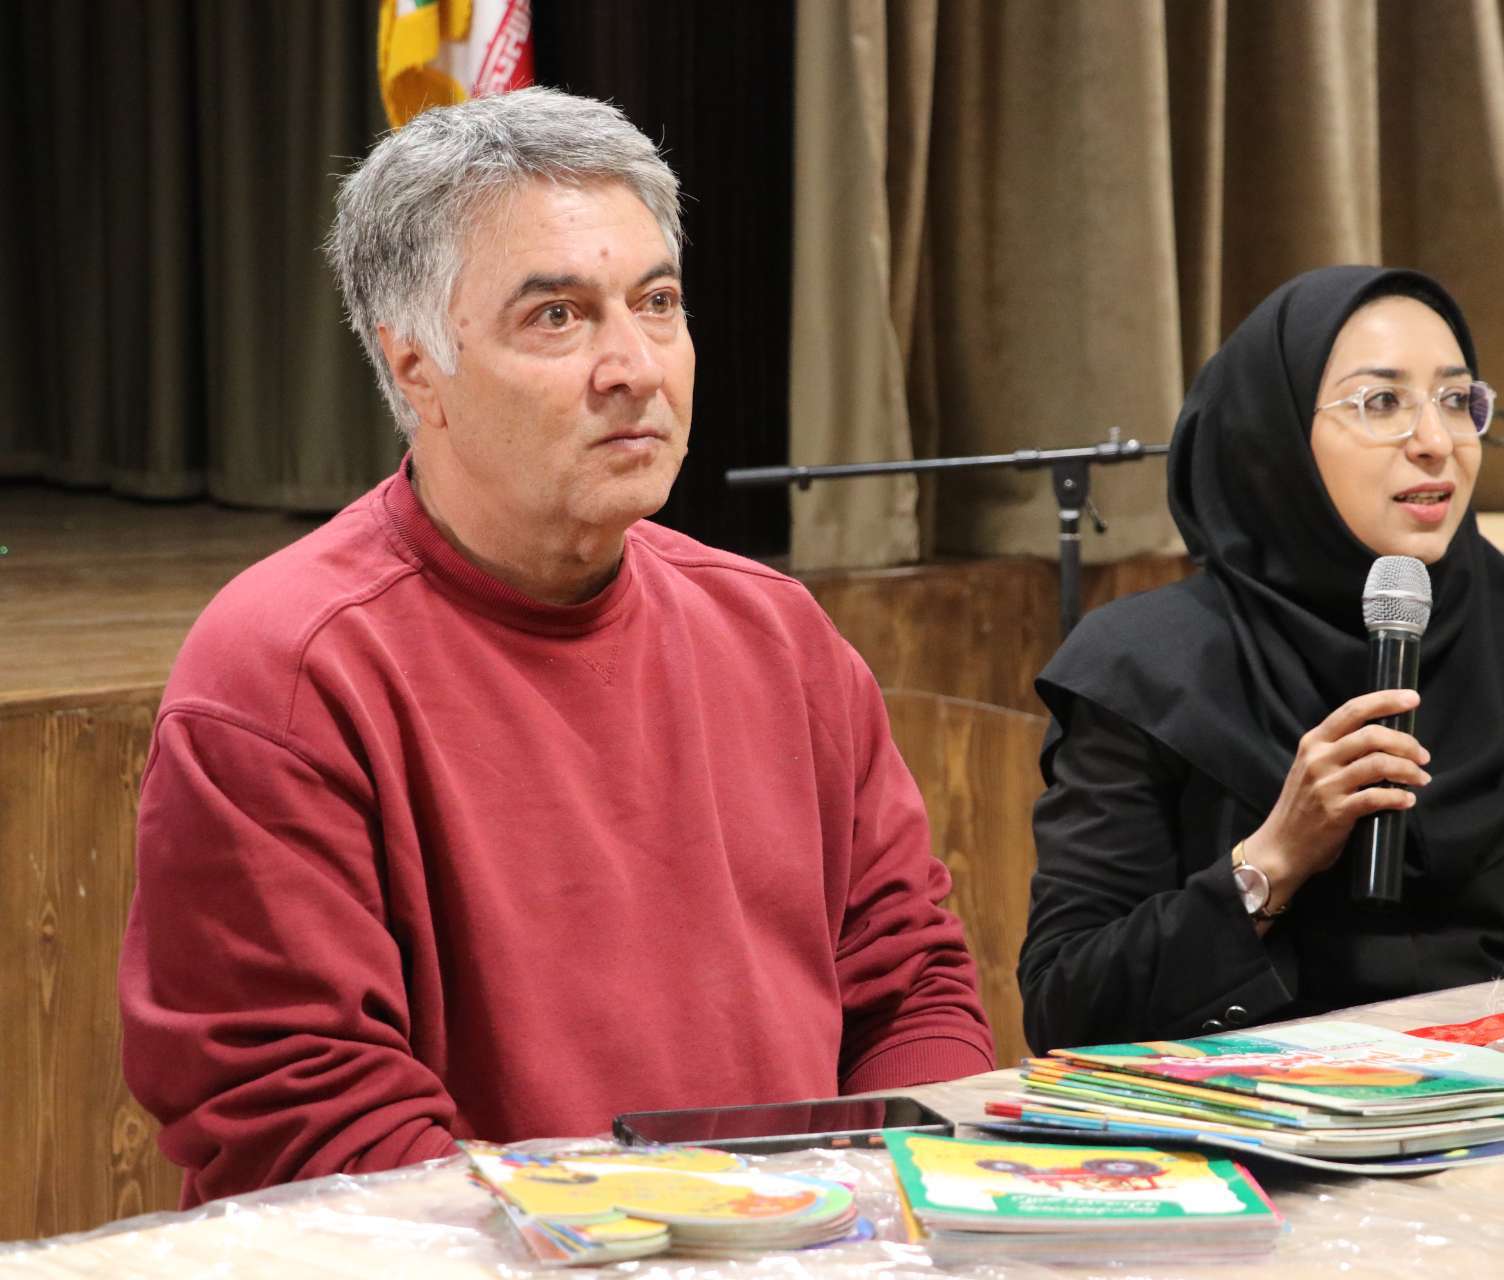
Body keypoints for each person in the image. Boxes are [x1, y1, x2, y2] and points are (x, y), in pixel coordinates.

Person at [118, 88, 993, 1208]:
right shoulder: (284, 671)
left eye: (658, 303)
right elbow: (312, 1118)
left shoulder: (777, 632)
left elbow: (910, 991)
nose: (635, 365)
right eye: (558, 317)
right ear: (415, 366)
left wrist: (883, 1214)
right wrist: (673, 1244)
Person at [1018, 266, 1504, 1053]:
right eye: (1381, 402)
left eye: (1456, 399)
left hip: (1493, 1109)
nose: (1436, 442)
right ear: (1276, 435)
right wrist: (1271, 861)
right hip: (1233, 1113)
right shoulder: (1143, 669)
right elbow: (1065, 1009)